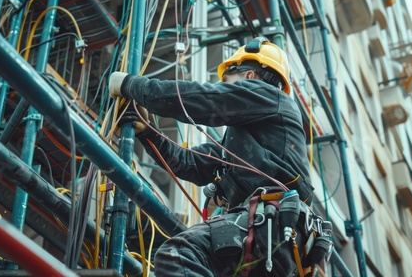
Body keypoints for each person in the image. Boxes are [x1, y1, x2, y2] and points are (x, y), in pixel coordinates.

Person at [109, 37, 315, 276]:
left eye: (228, 82)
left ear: (249, 76)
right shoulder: (244, 142)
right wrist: (149, 133)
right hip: (265, 237)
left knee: (178, 254)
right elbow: (190, 163)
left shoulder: (273, 98)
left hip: (272, 227)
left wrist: (133, 86)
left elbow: (209, 99)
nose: (224, 87)